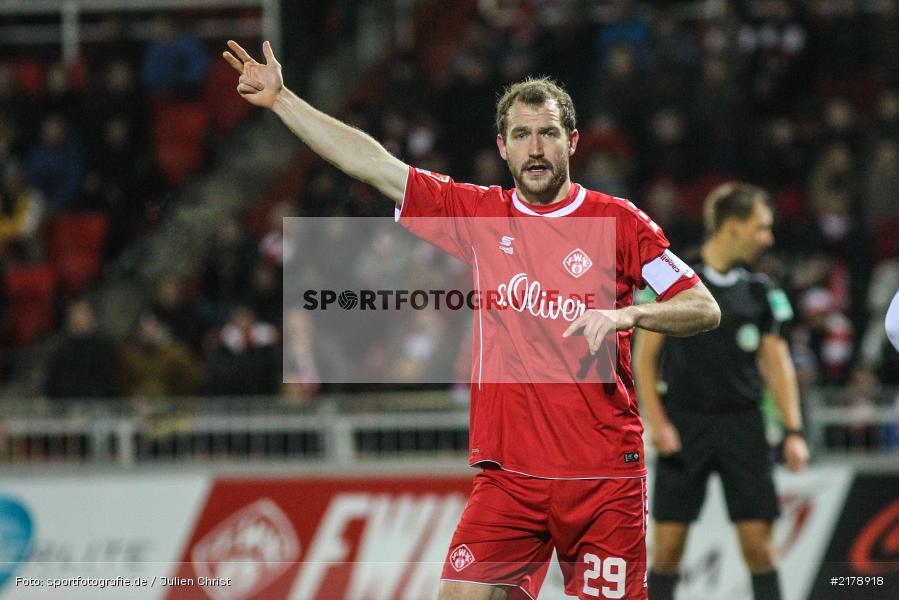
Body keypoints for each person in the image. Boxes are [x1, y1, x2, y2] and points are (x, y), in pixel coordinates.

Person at [224, 40, 721, 600]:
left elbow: (703, 305)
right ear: (503, 148)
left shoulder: (619, 222)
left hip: (601, 477)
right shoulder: (480, 215)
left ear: (573, 142)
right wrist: (284, 99)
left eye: (549, 133)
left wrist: (629, 311)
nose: (536, 149)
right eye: (522, 135)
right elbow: (374, 165)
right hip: (509, 478)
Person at [633, 183, 810, 600]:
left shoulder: (762, 290)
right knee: (668, 551)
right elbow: (644, 358)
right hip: (684, 424)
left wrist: (793, 430)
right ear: (732, 226)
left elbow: (777, 363)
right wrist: (656, 424)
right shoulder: (673, 280)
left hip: (743, 426)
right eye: (761, 227)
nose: (768, 238)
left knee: (760, 549)